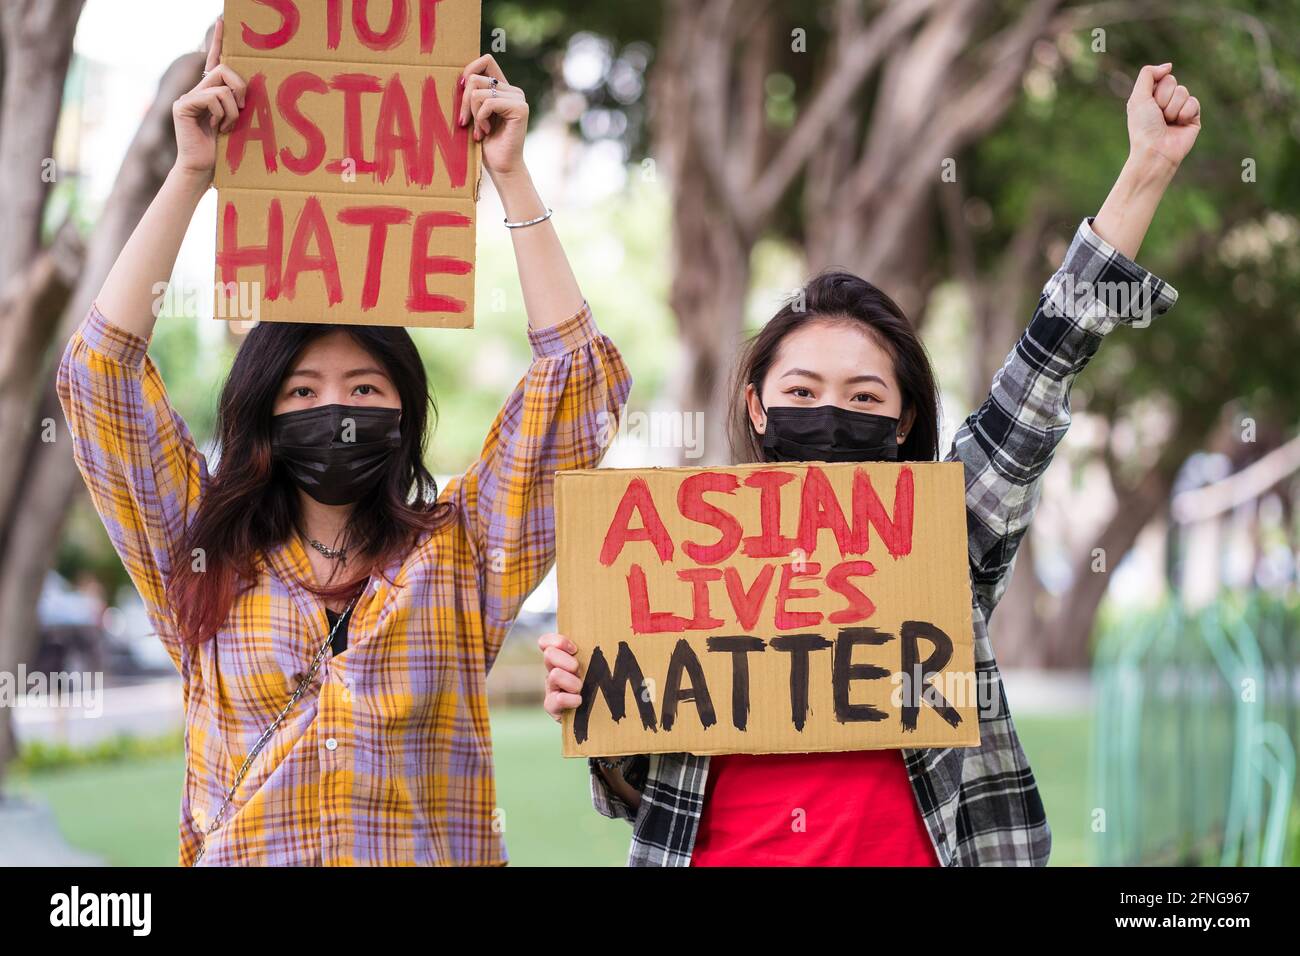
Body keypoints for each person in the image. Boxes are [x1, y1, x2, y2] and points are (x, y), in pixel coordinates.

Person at [540, 62, 1199, 866]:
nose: (831, 414)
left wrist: (1146, 169)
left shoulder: (944, 535)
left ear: (902, 420)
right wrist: (600, 707)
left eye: (862, 397)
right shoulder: (682, 566)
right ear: (757, 406)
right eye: (804, 389)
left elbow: (1044, 367)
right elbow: (632, 796)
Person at [56, 20, 630, 866]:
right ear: (262, 414)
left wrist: (509, 176)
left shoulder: (464, 555)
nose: (338, 409)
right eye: (303, 391)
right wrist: (191, 176)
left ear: (405, 412)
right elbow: (99, 378)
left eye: (365, 389)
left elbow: (579, 386)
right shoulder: (198, 550)